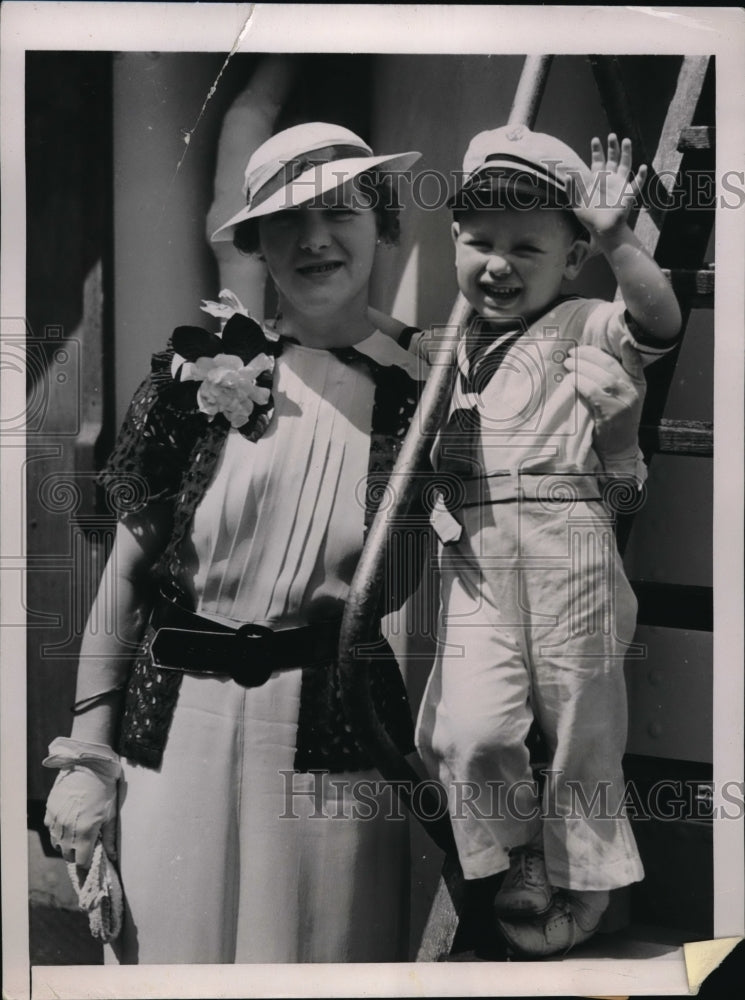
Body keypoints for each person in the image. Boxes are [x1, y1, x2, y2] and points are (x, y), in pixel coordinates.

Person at [42, 119, 648, 965]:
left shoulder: (437, 387)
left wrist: (619, 437)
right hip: (173, 733)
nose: (315, 238)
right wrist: (85, 755)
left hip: (334, 739)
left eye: (343, 211)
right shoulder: (196, 375)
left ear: (386, 225)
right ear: (255, 241)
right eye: (286, 219)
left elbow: (557, 517)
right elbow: (126, 577)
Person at [415, 126, 682, 958]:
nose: (497, 264)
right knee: (472, 731)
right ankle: (524, 840)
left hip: (566, 541)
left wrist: (617, 238)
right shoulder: (453, 344)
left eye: (526, 247)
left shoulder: (582, 321)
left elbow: (659, 318)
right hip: (476, 554)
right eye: (478, 243)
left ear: (570, 260)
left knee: (579, 723)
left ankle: (583, 877)